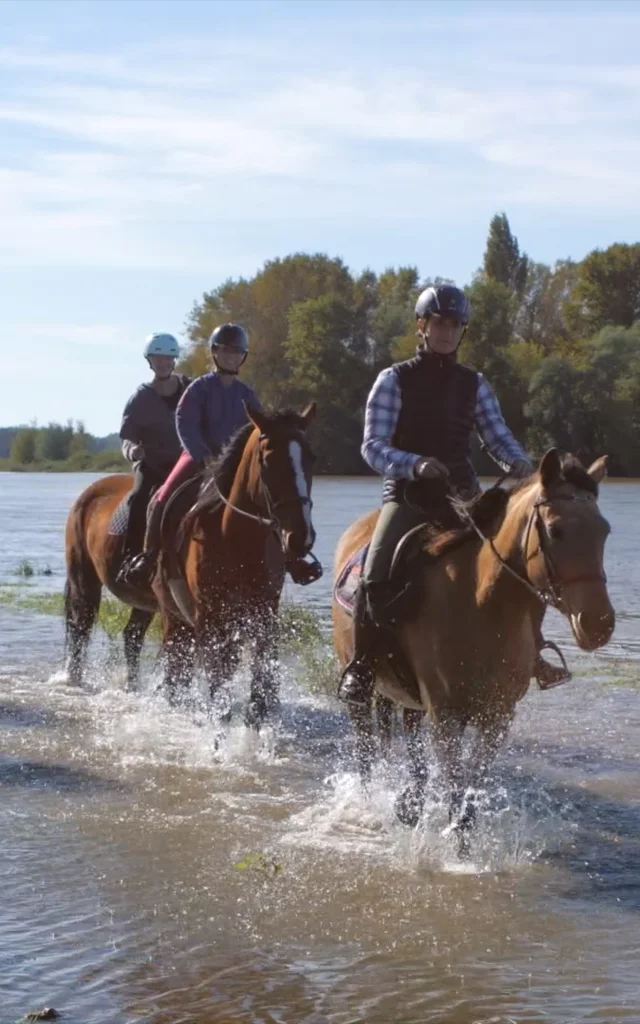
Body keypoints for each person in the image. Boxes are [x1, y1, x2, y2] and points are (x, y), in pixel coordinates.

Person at [338, 283, 570, 707]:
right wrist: (415, 463)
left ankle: (532, 653)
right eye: (439, 323)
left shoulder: (474, 383)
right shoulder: (393, 379)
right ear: (422, 326)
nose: (446, 331)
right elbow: (372, 446)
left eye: (455, 325)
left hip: (465, 498)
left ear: (461, 331)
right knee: (373, 576)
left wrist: (523, 468)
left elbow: (497, 436)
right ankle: (364, 666)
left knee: (523, 560)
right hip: (409, 498)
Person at [123, 322, 321, 588]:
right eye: (226, 351)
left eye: (236, 352)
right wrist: (203, 456)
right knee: (161, 498)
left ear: (243, 357)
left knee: (270, 500)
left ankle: (290, 559)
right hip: (198, 458)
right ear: (214, 353)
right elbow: (185, 422)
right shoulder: (199, 388)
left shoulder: (246, 393)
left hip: (236, 465)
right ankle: (148, 557)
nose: (231, 356)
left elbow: (258, 430)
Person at [116, 332, 190, 583]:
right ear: (150, 361)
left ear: (174, 361)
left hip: (186, 464)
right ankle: (132, 557)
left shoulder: (190, 391)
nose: (163, 363)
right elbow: (126, 438)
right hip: (152, 466)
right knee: (138, 498)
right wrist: (132, 451)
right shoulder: (140, 399)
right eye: (157, 359)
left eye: (168, 359)